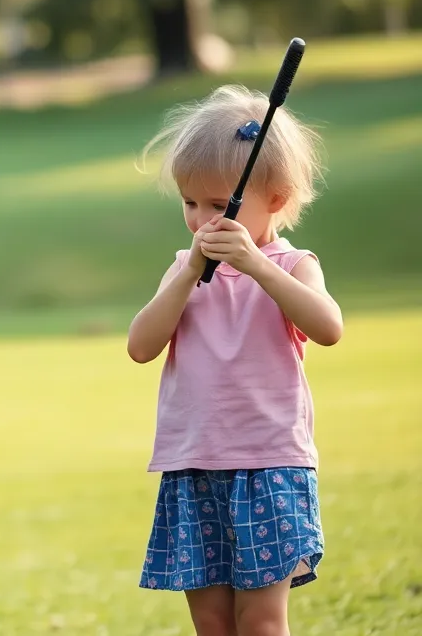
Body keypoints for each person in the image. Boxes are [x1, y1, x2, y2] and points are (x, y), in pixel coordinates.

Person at [127, 85, 344, 636]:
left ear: (276, 197)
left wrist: (258, 267)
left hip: (268, 464)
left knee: (262, 620)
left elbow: (328, 327)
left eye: (220, 206)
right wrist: (185, 276)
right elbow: (141, 346)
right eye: (189, 203)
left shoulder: (293, 264)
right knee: (213, 622)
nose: (201, 220)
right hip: (193, 464)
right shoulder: (183, 268)